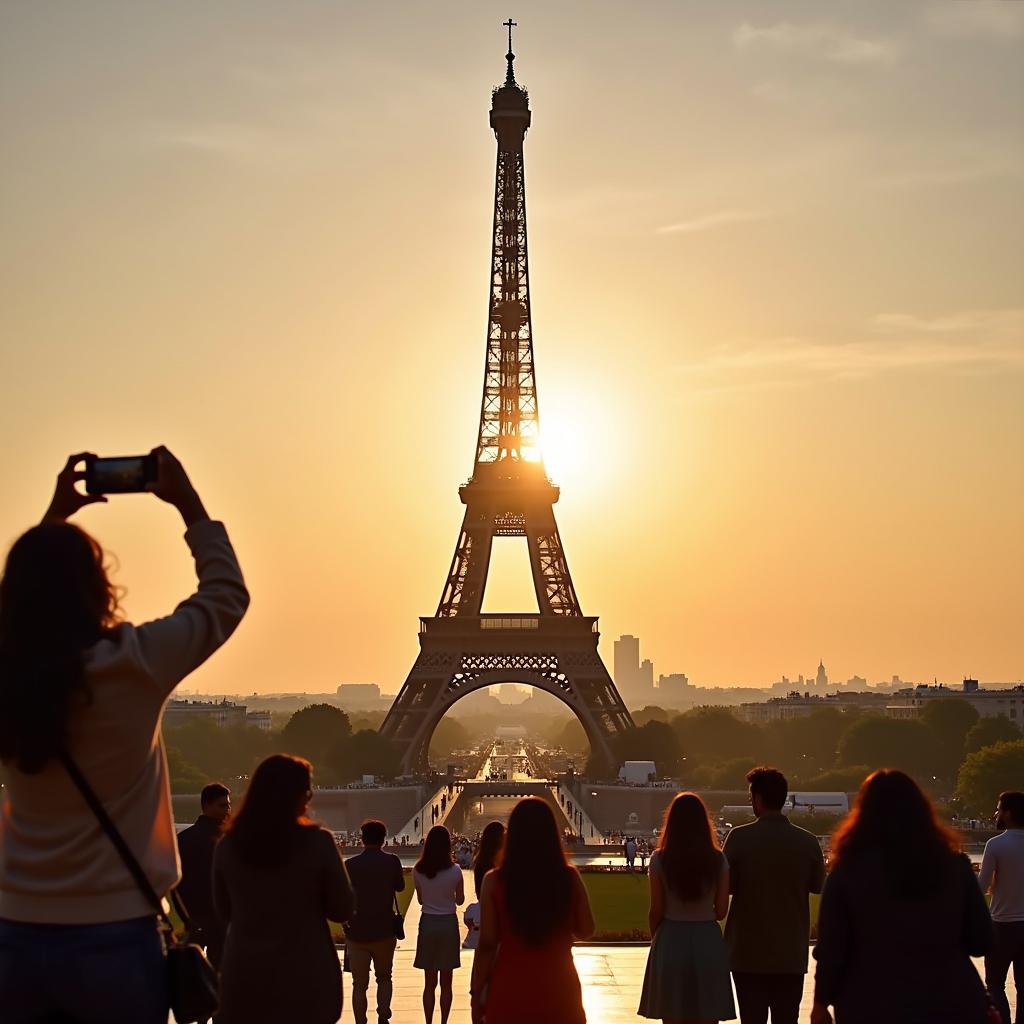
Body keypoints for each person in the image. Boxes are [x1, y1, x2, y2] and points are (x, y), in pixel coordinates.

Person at [0, 448, 248, 1024]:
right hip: (114, 934)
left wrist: (51, 523)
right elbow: (225, 596)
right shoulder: (132, 663)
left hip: (14, 930)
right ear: (99, 587)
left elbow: (19, 611)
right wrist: (188, 502)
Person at [811, 769, 992, 1024]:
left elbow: (832, 949)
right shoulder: (956, 867)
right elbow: (980, 941)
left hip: (871, 1002)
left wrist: (821, 1003)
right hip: (950, 1001)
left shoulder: (847, 873)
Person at [213, 754, 354, 1024]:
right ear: (300, 796)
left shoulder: (228, 846)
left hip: (244, 975)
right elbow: (342, 908)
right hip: (306, 976)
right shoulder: (318, 843)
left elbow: (224, 912)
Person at [471, 797, 594, 1024]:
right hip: (560, 989)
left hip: (510, 989)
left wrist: (476, 993)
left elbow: (487, 944)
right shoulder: (568, 877)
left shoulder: (494, 881)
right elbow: (586, 929)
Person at [722, 766, 825, 1024]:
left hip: (748, 953)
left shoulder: (739, 838)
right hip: (789, 953)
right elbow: (817, 885)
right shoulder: (807, 841)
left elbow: (726, 887)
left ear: (757, 799)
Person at [639, 792, 735, 1023]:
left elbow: (657, 910)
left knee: (672, 1014)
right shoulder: (718, 859)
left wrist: (658, 939)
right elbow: (721, 911)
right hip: (707, 940)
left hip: (671, 939)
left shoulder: (659, 860)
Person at [345, 818, 406, 1024]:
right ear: (383, 839)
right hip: (385, 929)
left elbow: (343, 896)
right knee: (384, 977)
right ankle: (383, 1014)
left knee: (359, 984)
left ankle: (361, 1020)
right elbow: (400, 887)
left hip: (357, 931)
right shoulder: (392, 861)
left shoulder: (350, 865)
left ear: (362, 839)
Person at [979, 790, 1024, 1024]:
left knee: (995, 983)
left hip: (1002, 925)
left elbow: (982, 887)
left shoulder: (996, 845)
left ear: (1008, 813)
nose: (997, 813)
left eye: (999, 808)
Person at [176, 781, 232, 969]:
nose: (228, 809)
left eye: (228, 804)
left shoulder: (184, 839)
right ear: (206, 806)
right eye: (222, 805)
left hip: (194, 914)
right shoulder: (227, 840)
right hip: (218, 914)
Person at [413, 824, 465, 1024]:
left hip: (427, 923)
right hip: (448, 924)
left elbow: (420, 900)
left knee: (429, 983)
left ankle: (428, 1021)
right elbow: (460, 900)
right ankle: (444, 1021)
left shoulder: (418, 870)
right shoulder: (455, 871)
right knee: (446, 983)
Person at [464, 820, 505, 950]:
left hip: (486, 916)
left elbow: (479, 892)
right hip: (500, 919)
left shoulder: (480, 863)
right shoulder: (500, 867)